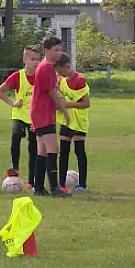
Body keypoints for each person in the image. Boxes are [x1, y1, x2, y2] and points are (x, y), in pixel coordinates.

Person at [0, 45, 40, 190]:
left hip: (35, 118)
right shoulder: (17, 76)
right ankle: (14, 169)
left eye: (38, 59)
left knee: (34, 148)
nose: (35, 62)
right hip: (20, 115)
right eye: (32, 59)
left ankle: (31, 181)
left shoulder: (41, 76)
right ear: (24, 60)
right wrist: (13, 103)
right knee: (15, 136)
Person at [30, 36, 71, 197]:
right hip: (43, 113)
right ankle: (55, 188)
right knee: (53, 149)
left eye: (60, 50)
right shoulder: (46, 67)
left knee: (42, 151)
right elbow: (53, 93)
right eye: (56, 50)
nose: (59, 53)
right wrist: (65, 111)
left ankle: (39, 187)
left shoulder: (46, 67)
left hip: (39, 112)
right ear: (46, 51)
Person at [54, 52, 91, 192]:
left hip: (79, 121)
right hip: (66, 120)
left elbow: (86, 103)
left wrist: (66, 105)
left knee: (79, 151)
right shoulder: (61, 80)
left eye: (61, 71)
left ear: (68, 66)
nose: (60, 74)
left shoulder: (79, 80)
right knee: (63, 152)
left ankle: (82, 184)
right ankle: (61, 184)